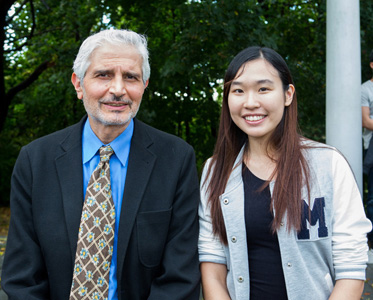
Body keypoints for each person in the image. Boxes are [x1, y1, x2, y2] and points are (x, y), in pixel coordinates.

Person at [1, 29, 201, 299]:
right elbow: (22, 276)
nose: (118, 89)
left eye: (131, 77)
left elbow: (179, 276)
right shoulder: (35, 161)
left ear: (144, 85)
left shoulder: (176, 159)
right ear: (78, 84)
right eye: (103, 74)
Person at [198, 46, 371, 300]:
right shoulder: (216, 170)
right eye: (238, 90)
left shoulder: (329, 164)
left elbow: (351, 268)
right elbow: (212, 263)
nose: (250, 102)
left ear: (288, 94)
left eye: (263, 88)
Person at [362, 49, 373, 256]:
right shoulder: (365, 89)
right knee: (372, 198)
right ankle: (370, 244)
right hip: (372, 146)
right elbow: (365, 121)